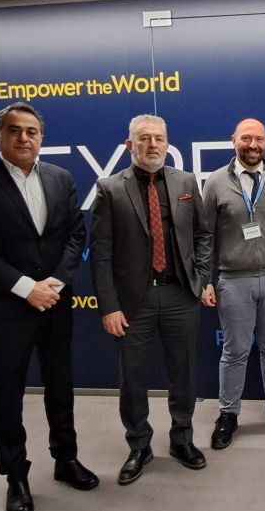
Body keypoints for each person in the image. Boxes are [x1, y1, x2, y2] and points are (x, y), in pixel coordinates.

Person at [0, 102, 98, 511]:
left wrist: (54, 283)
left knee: (60, 386)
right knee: (7, 394)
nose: (23, 138)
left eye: (31, 131)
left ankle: (65, 459)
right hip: (6, 307)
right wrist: (25, 288)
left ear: (41, 137)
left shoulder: (60, 178)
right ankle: (15, 476)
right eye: (14, 130)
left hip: (54, 301)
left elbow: (75, 235)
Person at [90, 114, 211, 484]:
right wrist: (109, 306)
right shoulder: (110, 188)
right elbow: (101, 254)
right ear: (130, 145)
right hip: (133, 302)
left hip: (180, 295)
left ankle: (182, 439)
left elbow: (203, 235)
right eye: (144, 138)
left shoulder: (186, 181)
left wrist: (201, 278)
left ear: (167, 143)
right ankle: (139, 445)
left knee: (183, 374)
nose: (153, 145)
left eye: (159, 138)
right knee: (133, 379)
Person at [201, 118, 265, 448]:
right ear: (233, 140)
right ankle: (228, 414)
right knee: (235, 350)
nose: (253, 145)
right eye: (246, 138)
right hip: (233, 280)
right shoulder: (215, 182)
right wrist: (206, 279)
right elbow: (205, 235)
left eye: (259, 139)